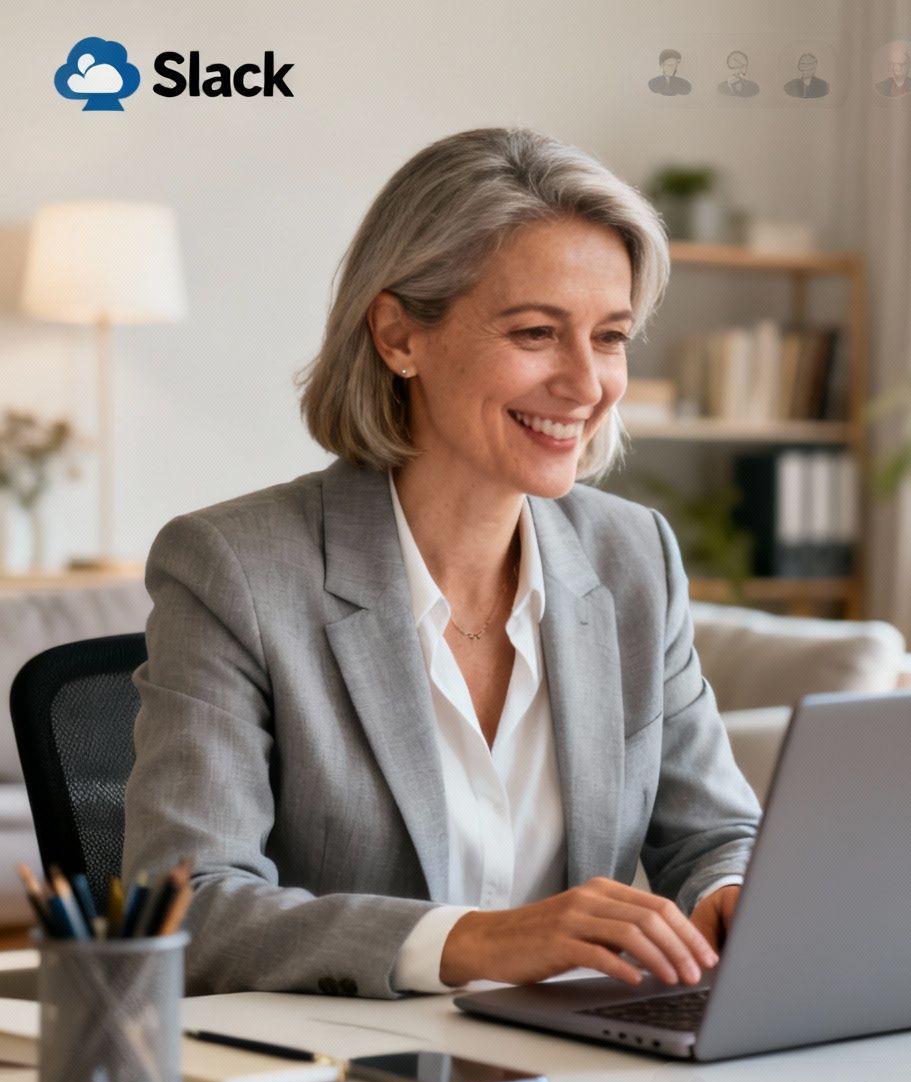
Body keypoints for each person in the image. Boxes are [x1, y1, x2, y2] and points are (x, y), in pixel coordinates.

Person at [124, 126, 762, 998]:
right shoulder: (234, 568)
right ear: (398, 336)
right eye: (537, 332)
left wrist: (732, 890)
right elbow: (186, 910)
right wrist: (479, 943)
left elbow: (716, 832)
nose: (586, 385)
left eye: (610, 337)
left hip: (580, 1078)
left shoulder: (633, 555)